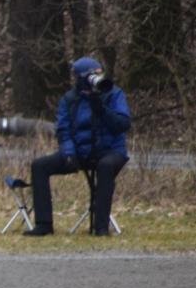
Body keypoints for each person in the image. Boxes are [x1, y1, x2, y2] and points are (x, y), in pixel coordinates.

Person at [25, 56, 131, 237]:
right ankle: (44, 224)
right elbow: (63, 129)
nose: (96, 79)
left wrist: (102, 109)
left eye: (99, 75)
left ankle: (101, 227)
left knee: (105, 167)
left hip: (110, 151)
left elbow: (123, 124)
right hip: (80, 152)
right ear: (81, 78)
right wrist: (69, 153)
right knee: (39, 166)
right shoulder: (69, 99)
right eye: (92, 76)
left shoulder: (114, 94)